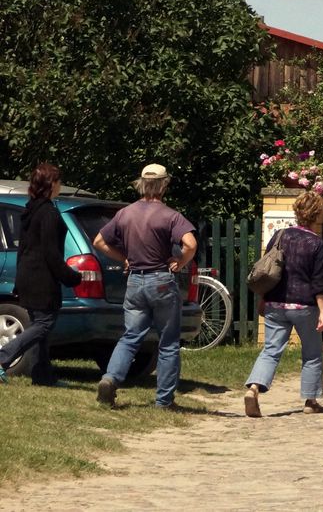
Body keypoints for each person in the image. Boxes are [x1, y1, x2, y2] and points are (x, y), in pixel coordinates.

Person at [92, 164, 197, 409]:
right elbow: (190, 244)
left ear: (141, 184)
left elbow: (99, 241)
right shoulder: (170, 215)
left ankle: (110, 378)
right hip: (161, 281)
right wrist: (180, 261)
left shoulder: (125, 213)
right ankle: (164, 401)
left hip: (135, 281)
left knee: (130, 337)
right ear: (164, 185)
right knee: (168, 343)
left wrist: (124, 258)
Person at [244, 190, 323, 417]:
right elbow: (319, 282)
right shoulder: (317, 244)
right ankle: (310, 402)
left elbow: (268, 271)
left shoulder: (279, 236)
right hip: (304, 306)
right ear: (317, 215)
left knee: (271, 350)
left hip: (275, 303)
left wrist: (263, 299)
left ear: (296, 211)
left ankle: (254, 389)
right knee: (312, 353)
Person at [0, 163, 82, 385]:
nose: (60, 185)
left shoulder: (30, 210)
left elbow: (24, 249)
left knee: (40, 327)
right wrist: (71, 277)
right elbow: (50, 253)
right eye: (58, 181)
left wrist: (19, 280)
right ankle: (3, 357)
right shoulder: (48, 213)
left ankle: (43, 376)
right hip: (41, 277)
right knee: (44, 324)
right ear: (51, 184)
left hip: (27, 274)